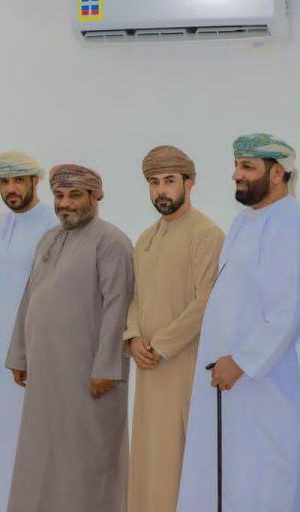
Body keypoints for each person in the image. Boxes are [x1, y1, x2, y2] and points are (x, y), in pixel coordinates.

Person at [177, 134, 300, 512]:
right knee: (226, 474)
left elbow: (286, 312)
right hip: (227, 376)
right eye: (236, 165)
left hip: (264, 382)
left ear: (277, 173)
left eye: (247, 167)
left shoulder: (290, 225)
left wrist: (242, 361)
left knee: (262, 478)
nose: (236, 174)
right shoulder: (243, 221)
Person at [5, 164, 133, 512]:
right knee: (43, 454)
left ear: (95, 196)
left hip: (88, 375)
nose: (65, 203)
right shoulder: (49, 239)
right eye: (59, 196)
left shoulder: (112, 242)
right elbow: (29, 298)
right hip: (46, 373)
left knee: (86, 458)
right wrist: (19, 355)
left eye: (74, 195)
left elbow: (118, 307)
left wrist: (106, 367)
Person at [124, 146, 224, 512]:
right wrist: (134, 337)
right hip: (149, 367)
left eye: (169, 181)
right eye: (154, 183)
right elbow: (136, 297)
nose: (161, 191)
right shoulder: (145, 239)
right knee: (148, 457)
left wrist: (161, 344)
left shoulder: (207, 234)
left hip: (183, 365)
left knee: (177, 458)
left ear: (189, 183)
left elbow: (206, 300)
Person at [0, 150, 58, 512]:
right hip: (0, 348)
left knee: (37, 435)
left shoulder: (53, 222)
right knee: (4, 434)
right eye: (4, 182)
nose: (10, 189)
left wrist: (33, 348)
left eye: (18, 180)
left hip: (37, 347)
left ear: (35, 181)